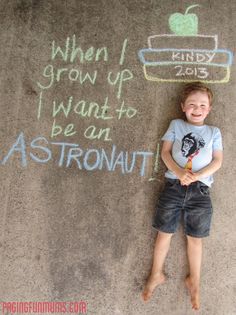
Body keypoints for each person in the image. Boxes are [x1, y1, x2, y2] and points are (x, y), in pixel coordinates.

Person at [141, 82, 223, 310]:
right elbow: (165, 152)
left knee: (195, 238)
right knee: (163, 233)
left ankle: (194, 280)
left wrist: (197, 176)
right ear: (183, 107)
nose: (197, 108)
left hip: (201, 191)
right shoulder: (176, 125)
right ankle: (156, 273)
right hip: (174, 186)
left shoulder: (214, 132)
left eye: (202, 105)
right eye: (192, 104)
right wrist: (179, 172)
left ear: (209, 108)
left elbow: (218, 161)